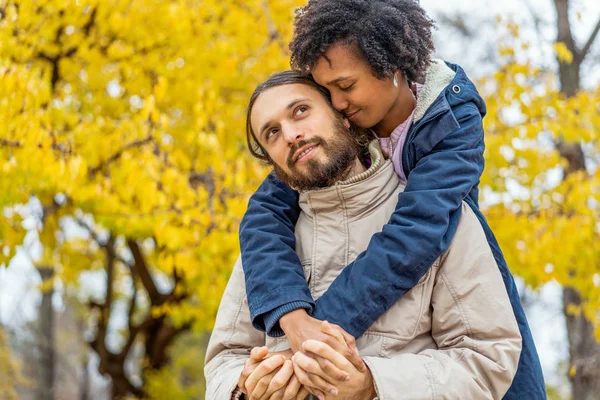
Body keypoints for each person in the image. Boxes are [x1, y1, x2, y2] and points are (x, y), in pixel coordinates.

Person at [238, 1, 545, 398]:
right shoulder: (343, 127)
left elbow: (414, 236)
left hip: (449, 282)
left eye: (345, 86)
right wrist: (292, 318)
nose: (336, 104)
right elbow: (262, 212)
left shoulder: (452, 124)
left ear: (393, 64)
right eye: (325, 91)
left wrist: (317, 339)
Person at [205, 71, 522, 400]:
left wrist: (374, 385)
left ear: (342, 116)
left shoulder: (442, 218)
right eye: (271, 133)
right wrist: (243, 389)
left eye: (300, 111)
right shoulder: (266, 246)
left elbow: (487, 360)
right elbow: (224, 361)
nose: (290, 134)